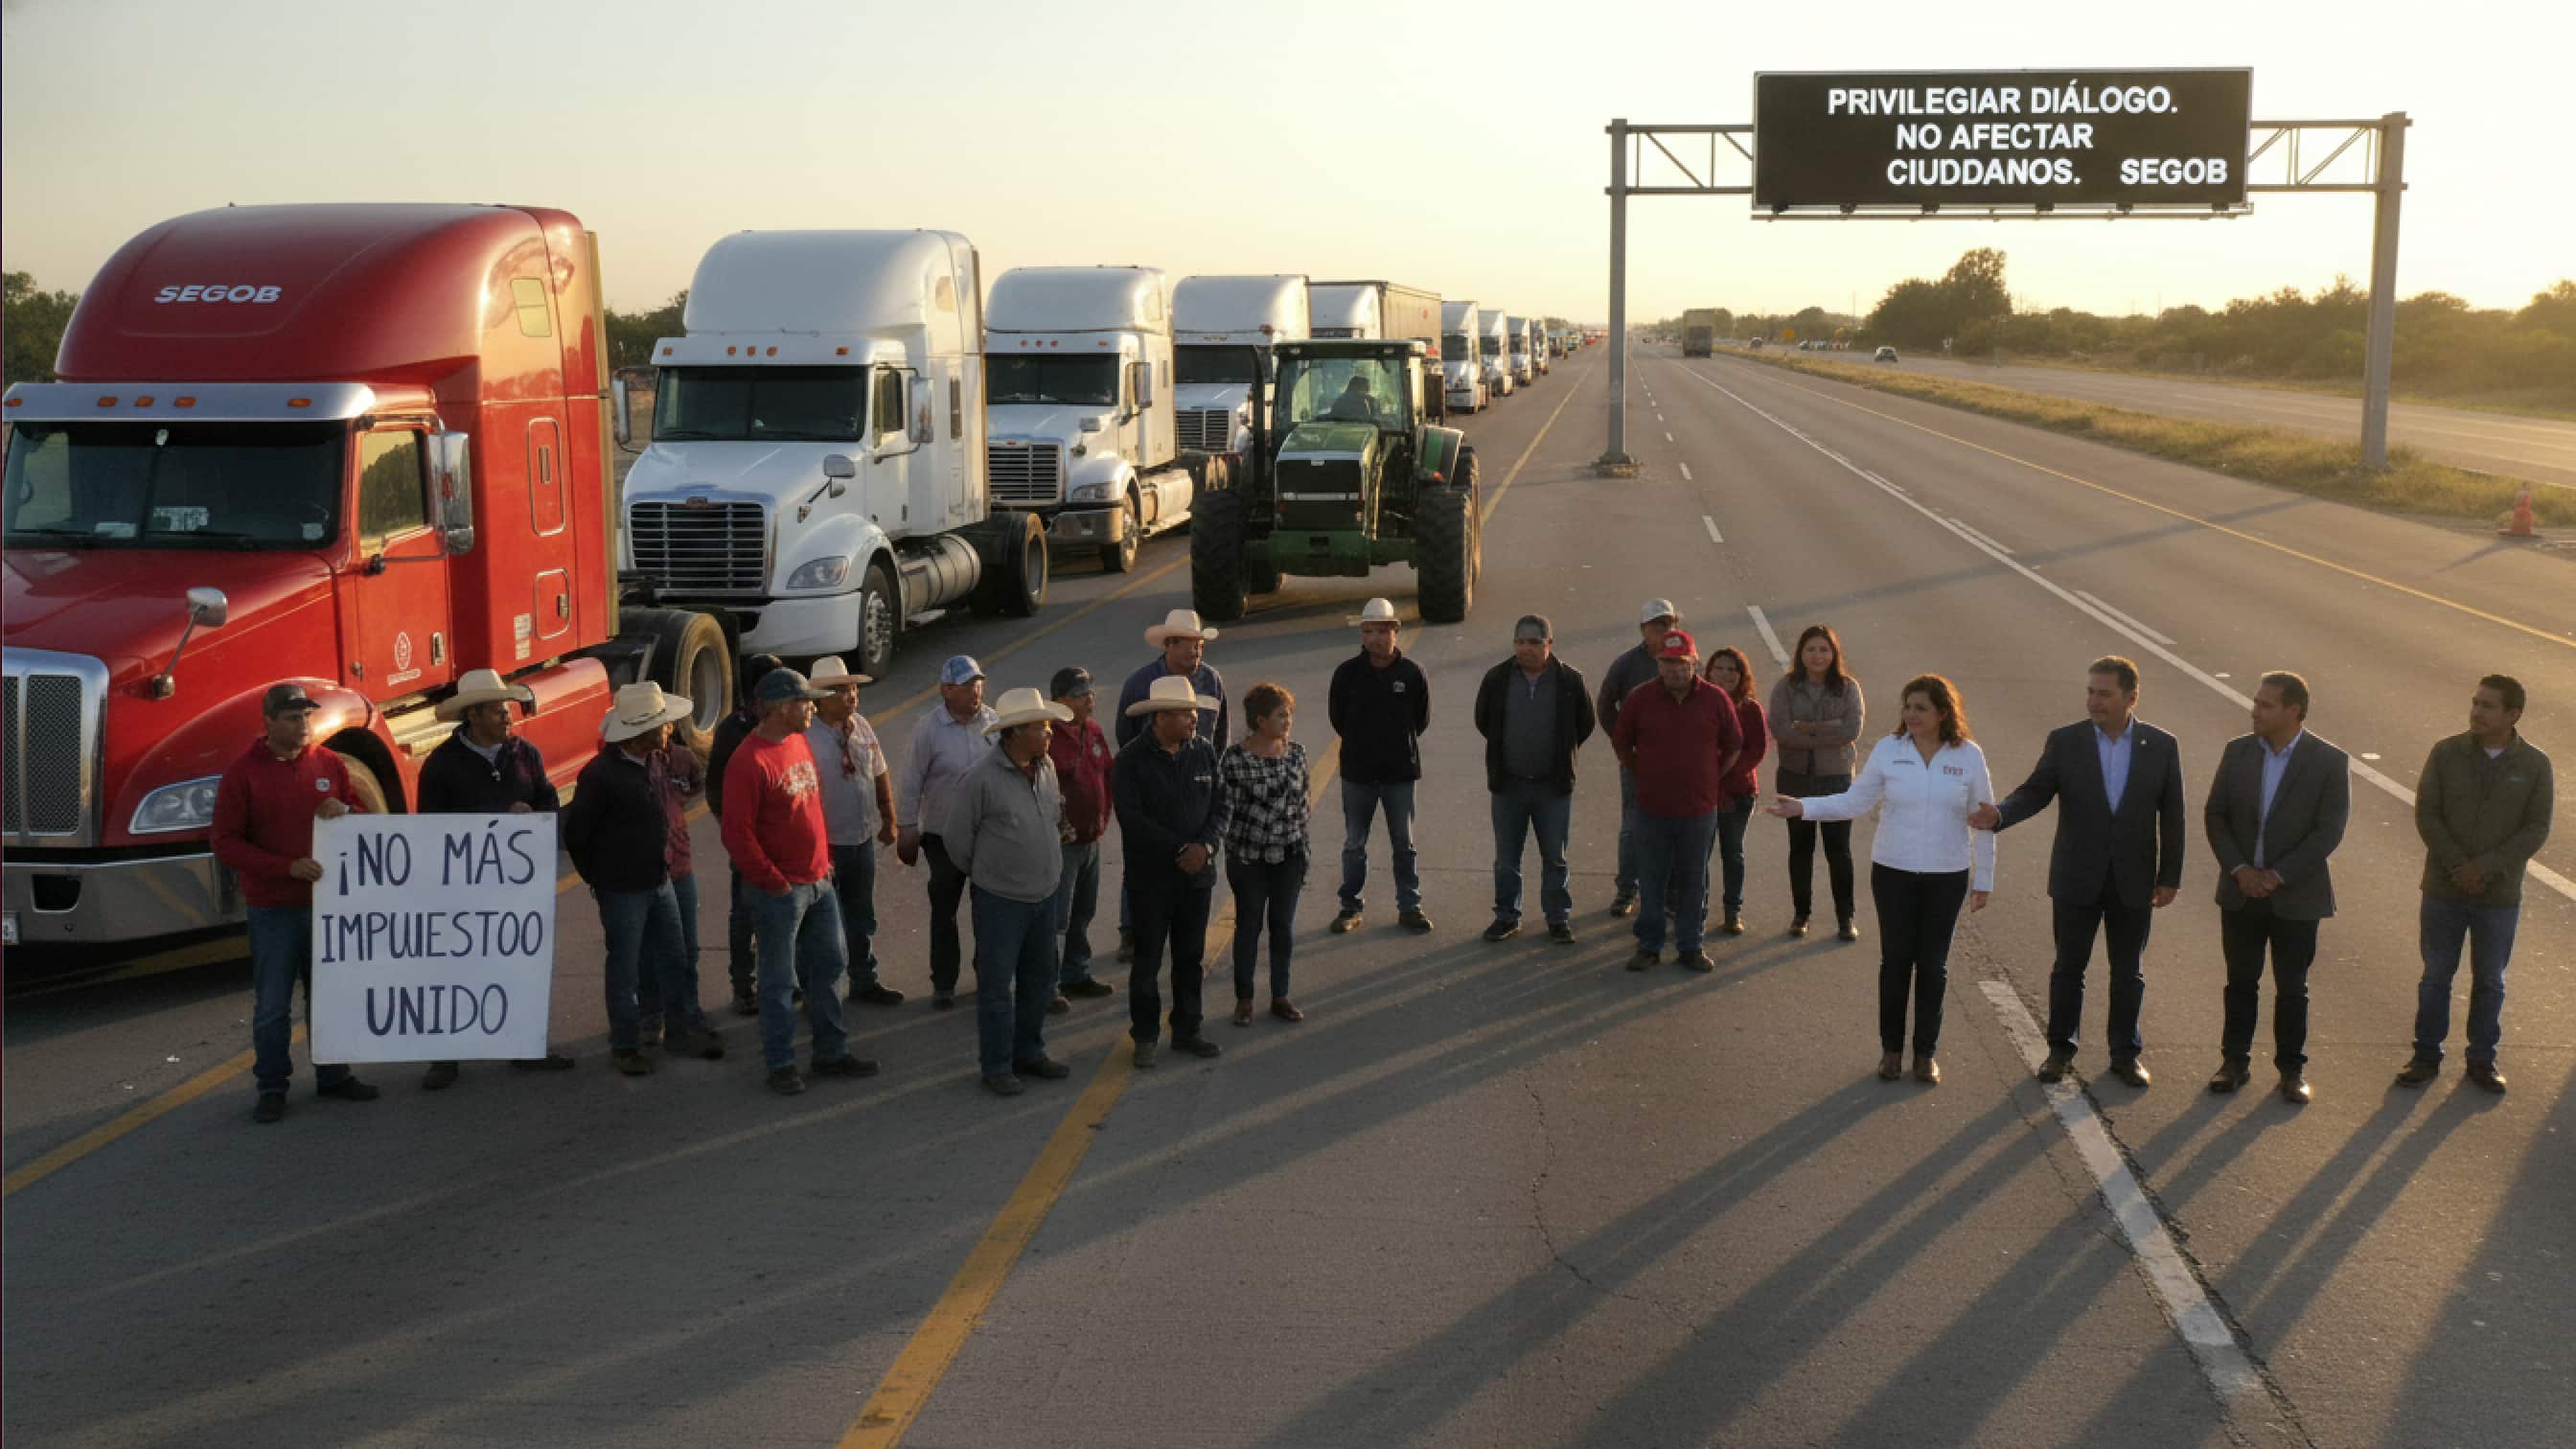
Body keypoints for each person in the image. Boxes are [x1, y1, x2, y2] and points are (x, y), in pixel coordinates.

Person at [1969, 656, 2185, 1089]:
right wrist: (2000, 816)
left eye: (2104, 694)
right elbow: (2036, 791)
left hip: (2133, 878)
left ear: (2131, 697)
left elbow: (2173, 815)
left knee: (2128, 971)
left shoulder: (2161, 746)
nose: (2094, 701)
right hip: (2076, 875)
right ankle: (2060, 1051)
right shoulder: (2066, 742)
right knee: (2069, 967)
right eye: (2090, 692)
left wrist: (2170, 876)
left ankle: (2126, 1054)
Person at [1771, 675, 1994, 1085]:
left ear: (1943, 713)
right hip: (1894, 872)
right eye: (1907, 707)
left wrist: (1984, 879)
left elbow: (1985, 820)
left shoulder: (1968, 755)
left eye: (1920, 708)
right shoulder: (1891, 751)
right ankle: (1891, 1051)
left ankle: (1925, 1054)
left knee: (1933, 966)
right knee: (1895, 963)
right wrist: (1804, 807)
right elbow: (1854, 801)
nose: (1910, 715)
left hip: (1947, 875)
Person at [211, 682, 381, 1124]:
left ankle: (334, 1074)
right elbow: (226, 843)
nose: (303, 724)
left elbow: (362, 822)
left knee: (328, 996)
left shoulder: (328, 763)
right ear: (268, 722)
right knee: (273, 1005)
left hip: (327, 905)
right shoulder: (243, 773)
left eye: (307, 715)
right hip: (273, 908)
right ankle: (272, 1086)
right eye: (292, 717)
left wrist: (344, 812)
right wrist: (285, 868)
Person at [413, 669, 576, 1089]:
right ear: (475, 716)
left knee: (522, 964)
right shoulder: (441, 766)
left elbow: (548, 801)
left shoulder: (526, 754)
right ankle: (444, 1057)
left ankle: (524, 1046)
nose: (509, 719)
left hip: (516, 887)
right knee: (455, 971)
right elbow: (432, 829)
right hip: (463, 888)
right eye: (500, 712)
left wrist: (536, 819)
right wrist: (494, 824)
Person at [725, 668, 879, 1096]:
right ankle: (781, 1063)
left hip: (818, 880)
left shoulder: (798, 742)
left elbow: (811, 806)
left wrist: (824, 861)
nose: (813, 705)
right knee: (778, 982)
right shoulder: (749, 761)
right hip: (781, 891)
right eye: (806, 700)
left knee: (829, 967)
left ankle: (832, 1052)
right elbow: (737, 835)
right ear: (779, 707)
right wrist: (773, 882)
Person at [2397, 675, 2551, 1095]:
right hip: (2443, 890)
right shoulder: (2446, 754)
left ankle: (2482, 1058)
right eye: (2476, 703)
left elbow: (2535, 828)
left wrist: (2485, 868)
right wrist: (2457, 865)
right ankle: (2426, 1054)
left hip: (2498, 896)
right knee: (2436, 976)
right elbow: (2428, 813)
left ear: (2513, 714)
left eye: (2488, 706)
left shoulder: (2534, 764)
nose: (2477, 712)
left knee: (2489, 981)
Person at [2201, 671, 2350, 1105]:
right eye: (2256, 701)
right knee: (2241, 981)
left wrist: (2278, 875)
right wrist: (2241, 869)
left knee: (2292, 987)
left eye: (2266, 705)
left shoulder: (2328, 761)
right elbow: (2216, 816)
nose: (2255, 710)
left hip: (2297, 898)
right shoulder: (2238, 753)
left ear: (2293, 711)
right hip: (2241, 892)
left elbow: (2328, 831)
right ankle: (2234, 1062)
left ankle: (2291, 1070)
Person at [565, 682, 725, 1076]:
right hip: (623, 890)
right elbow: (577, 836)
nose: (668, 729)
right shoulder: (599, 776)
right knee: (626, 968)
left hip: (659, 881)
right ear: (640, 733)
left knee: (674, 957)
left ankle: (679, 1030)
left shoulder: (652, 761)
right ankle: (626, 1045)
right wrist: (602, 880)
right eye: (660, 724)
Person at [941, 687, 1077, 1096]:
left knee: (1039, 980)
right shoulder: (980, 778)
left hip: (1044, 894)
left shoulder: (1047, 766)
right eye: (1040, 727)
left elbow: (1053, 814)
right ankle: (997, 1065)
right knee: (998, 987)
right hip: (1001, 901)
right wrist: (991, 875)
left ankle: (1030, 1053)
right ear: (1015, 733)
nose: (1049, 733)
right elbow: (956, 840)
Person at [1114, 675, 1230, 1068]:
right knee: (1147, 960)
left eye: (1195, 712)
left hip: (1197, 877)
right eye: (1186, 713)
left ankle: (1188, 1029)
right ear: (1160, 717)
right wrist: (1180, 849)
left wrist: (1206, 846)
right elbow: (1132, 818)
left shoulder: (1203, 752)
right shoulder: (1131, 759)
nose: (1194, 719)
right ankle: (1145, 1035)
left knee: (1190, 957)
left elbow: (1221, 805)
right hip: (1151, 881)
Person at [1613, 631, 1741, 971]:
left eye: (1682, 664)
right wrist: (1643, 772)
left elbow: (1734, 744)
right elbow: (1622, 743)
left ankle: (1690, 945)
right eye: (1668, 664)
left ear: (1694, 662)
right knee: (1652, 879)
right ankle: (1649, 945)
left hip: (1699, 810)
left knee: (1693, 879)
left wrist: (1713, 776)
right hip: (1652, 808)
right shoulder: (1640, 699)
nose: (1675, 671)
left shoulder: (1715, 699)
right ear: (1659, 663)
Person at [1472, 614, 1598, 944]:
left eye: (1534, 642)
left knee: (1555, 858)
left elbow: (1583, 724)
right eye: (1520, 642)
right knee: (1506, 859)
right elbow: (1484, 721)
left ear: (1549, 645)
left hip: (1551, 788)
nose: (1526, 648)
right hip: (1509, 785)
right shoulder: (1497, 678)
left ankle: (1557, 919)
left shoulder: (1570, 681)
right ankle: (1506, 916)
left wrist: (1557, 757)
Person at [1116, 610, 1230, 963]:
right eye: (1189, 645)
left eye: (1200, 645)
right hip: (1152, 785)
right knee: (1144, 862)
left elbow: (1220, 733)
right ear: (1169, 645)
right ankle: (1132, 932)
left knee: (1194, 868)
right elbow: (1126, 734)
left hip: (1196, 778)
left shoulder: (1212, 681)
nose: (1196, 652)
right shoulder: (1140, 683)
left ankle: (1185, 932)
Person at [898, 656, 1000, 1009]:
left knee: (988, 909)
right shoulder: (929, 729)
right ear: (946, 690)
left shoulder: (994, 723)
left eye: (978, 683)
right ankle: (944, 983)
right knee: (944, 910)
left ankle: (987, 974)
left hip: (988, 835)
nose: (976, 691)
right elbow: (911, 781)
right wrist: (907, 829)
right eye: (967, 685)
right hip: (942, 836)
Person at [802, 656, 904, 1009]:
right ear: (820, 697)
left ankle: (864, 978)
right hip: (824, 847)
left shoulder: (860, 726)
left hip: (859, 840)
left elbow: (879, 771)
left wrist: (889, 818)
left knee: (862, 915)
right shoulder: (806, 737)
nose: (852, 696)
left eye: (853, 689)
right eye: (843, 690)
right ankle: (816, 989)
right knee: (820, 924)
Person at [1326, 597, 1431, 934]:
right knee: (1355, 844)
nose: (1375, 638)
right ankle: (1350, 908)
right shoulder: (1346, 674)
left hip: (1400, 776)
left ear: (1395, 632)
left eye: (1382, 631)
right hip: (1358, 775)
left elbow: (1420, 719)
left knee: (1404, 844)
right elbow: (1338, 719)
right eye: (1368, 631)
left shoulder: (1412, 674)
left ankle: (1410, 906)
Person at [1222, 683, 1313, 1025]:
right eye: (1281, 715)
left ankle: (1280, 995)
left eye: (1289, 713)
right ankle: (1244, 1000)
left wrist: (1303, 852)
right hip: (1249, 859)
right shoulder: (1234, 759)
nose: (1288, 720)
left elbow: (1303, 804)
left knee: (1282, 928)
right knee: (1249, 926)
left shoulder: (1297, 754)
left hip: (1288, 855)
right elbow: (1225, 810)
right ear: (1260, 721)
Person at [1770, 624, 1866, 941]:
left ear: (1833, 653)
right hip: (1795, 778)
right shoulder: (1785, 688)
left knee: (1839, 851)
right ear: (1801, 653)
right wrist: (1827, 729)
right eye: (1811, 649)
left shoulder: (1848, 687)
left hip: (1835, 779)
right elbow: (1782, 731)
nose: (1817, 655)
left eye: (1823, 649)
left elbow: (1850, 730)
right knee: (1800, 849)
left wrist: (1806, 728)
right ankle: (1801, 914)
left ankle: (1845, 917)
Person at [709, 653, 787, 1015]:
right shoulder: (732, 732)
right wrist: (740, 835)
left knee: (789, 916)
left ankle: (786, 981)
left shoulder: (787, 727)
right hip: (750, 847)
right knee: (745, 916)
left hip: (787, 847)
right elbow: (715, 792)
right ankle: (744, 987)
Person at [1596, 599, 1680, 917]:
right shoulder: (1627, 665)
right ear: (1644, 630)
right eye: (1658, 626)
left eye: (1669, 625)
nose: (1664, 632)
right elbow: (1605, 704)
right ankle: (1626, 889)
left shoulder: (1686, 661)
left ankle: (1668, 893)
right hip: (1638, 763)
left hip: (1677, 765)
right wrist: (1624, 746)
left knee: (1674, 827)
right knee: (1633, 826)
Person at [1045, 667, 1118, 1003]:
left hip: (1091, 841)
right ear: (1060, 700)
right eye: (1080, 693)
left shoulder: (1092, 730)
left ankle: (1076, 973)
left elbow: (1107, 776)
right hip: (1062, 845)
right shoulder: (1047, 737)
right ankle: (1046, 985)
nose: (1090, 698)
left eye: (1090, 691)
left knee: (1082, 913)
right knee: (1056, 919)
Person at [639, 733, 708, 1052]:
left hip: (680, 864)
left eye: (666, 721)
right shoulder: (628, 764)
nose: (664, 728)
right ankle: (652, 1017)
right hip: (646, 873)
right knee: (648, 951)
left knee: (688, 946)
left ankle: (689, 1011)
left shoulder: (682, 758)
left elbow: (696, 783)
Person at [1701, 647, 1769, 936]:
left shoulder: (1750, 709)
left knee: (1733, 853)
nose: (1726, 674)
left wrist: (1722, 781)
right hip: (1702, 793)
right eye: (1720, 668)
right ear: (1709, 671)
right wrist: (1712, 786)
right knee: (1697, 855)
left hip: (1739, 794)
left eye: (1733, 670)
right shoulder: (1698, 704)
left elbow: (1755, 752)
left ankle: (1733, 912)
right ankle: (1696, 911)